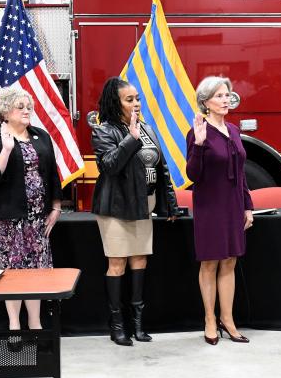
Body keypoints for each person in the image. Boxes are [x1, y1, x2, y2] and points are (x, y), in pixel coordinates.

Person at [91, 77, 180, 346]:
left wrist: (171, 204)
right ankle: (117, 325)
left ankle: (138, 325)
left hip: (144, 205)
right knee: (117, 263)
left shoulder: (148, 129)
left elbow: (161, 169)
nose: (136, 104)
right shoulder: (103, 131)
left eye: (137, 98)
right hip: (116, 207)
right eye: (129, 100)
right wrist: (130, 138)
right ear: (114, 103)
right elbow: (110, 166)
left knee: (140, 260)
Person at [0, 87, 62, 332]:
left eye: (30, 106)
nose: (27, 111)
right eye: (21, 106)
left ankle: (35, 324)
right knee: (13, 272)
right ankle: (14, 325)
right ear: (5, 111)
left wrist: (56, 207)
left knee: (36, 270)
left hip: (38, 219)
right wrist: (6, 150)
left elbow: (53, 175)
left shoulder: (40, 135)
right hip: (9, 219)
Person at [185, 76, 254, 345]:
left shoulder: (234, 130)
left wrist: (248, 206)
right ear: (206, 102)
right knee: (210, 262)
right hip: (209, 205)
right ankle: (210, 320)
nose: (226, 100)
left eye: (228, 95)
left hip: (234, 204)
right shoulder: (197, 132)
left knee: (230, 261)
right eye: (220, 96)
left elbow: (241, 173)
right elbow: (193, 174)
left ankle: (228, 319)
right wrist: (200, 146)